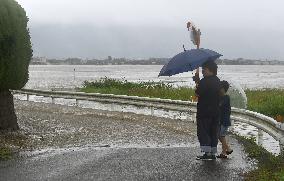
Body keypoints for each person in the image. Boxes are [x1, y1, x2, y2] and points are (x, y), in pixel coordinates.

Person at [195, 60, 220, 160]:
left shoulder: (204, 81)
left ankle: (207, 154)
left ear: (210, 70)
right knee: (213, 132)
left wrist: (197, 83)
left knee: (204, 131)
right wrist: (198, 82)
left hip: (204, 111)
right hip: (216, 111)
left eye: (204, 70)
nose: (202, 71)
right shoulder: (217, 80)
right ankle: (212, 153)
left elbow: (197, 94)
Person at [217, 80, 233, 159]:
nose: (218, 89)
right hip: (221, 120)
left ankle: (224, 153)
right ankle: (228, 149)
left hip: (225, 120)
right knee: (219, 136)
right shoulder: (220, 97)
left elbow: (220, 105)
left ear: (223, 89)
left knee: (221, 136)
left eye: (220, 88)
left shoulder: (226, 97)